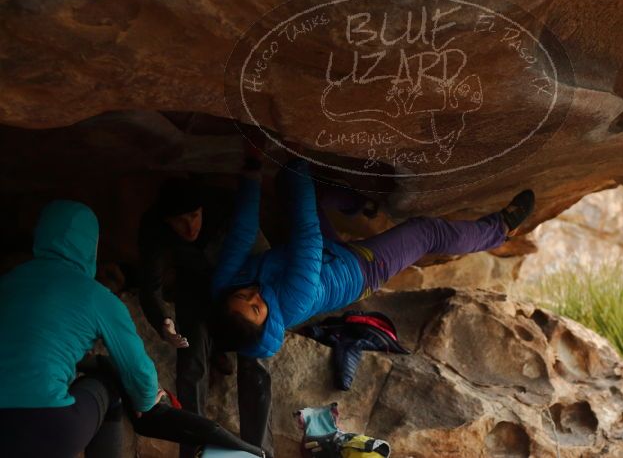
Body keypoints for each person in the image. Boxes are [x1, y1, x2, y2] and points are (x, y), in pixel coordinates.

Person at [0, 199, 267, 457]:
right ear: (90, 246)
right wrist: (148, 398)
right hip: (49, 426)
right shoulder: (95, 296)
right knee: (107, 387)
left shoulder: (8, 283)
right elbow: (136, 369)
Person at [211, 154, 534, 358]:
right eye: (256, 307)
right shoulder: (294, 300)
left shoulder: (225, 289)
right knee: (425, 232)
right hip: (360, 268)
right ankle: (499, 229)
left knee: (294, 186)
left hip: (322, 254)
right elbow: (305, 237)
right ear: (267, 323)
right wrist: (298, 164)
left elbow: (241, 235)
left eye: (243, 294)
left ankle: (361, 204)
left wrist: (252, 173)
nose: (254, 293)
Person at [137, 178, 272, 458]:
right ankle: (193, 451)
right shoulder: (153, 226)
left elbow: (265, 263)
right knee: (191, 354)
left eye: (194, 216)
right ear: (166, 220)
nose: (190, 227)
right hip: (196, 284)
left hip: (241, 286)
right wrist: (162, 322)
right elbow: (149, 286)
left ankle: (259, 453)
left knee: (254, 357)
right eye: (180, 221)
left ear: (203, 210)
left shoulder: (225, 207)